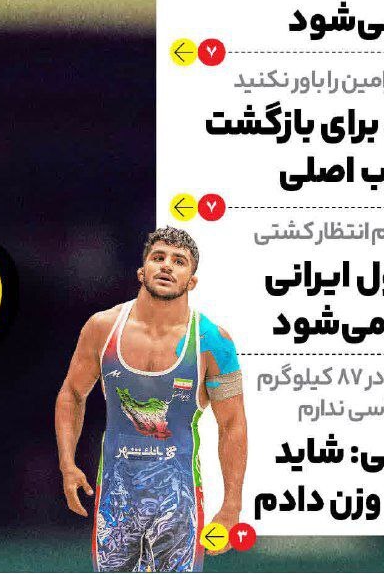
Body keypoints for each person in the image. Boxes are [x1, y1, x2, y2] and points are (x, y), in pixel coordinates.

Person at [55, 227, 246, 571]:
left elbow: (232, 424)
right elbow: (72, 394)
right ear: (142, 271)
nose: (167, 265)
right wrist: (67, 464)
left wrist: (232, 505)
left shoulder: (213, 342)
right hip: (116, 498)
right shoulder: (102, 328)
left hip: (179, 501)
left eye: (179, 261)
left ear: (192, 281)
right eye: (159, 257)